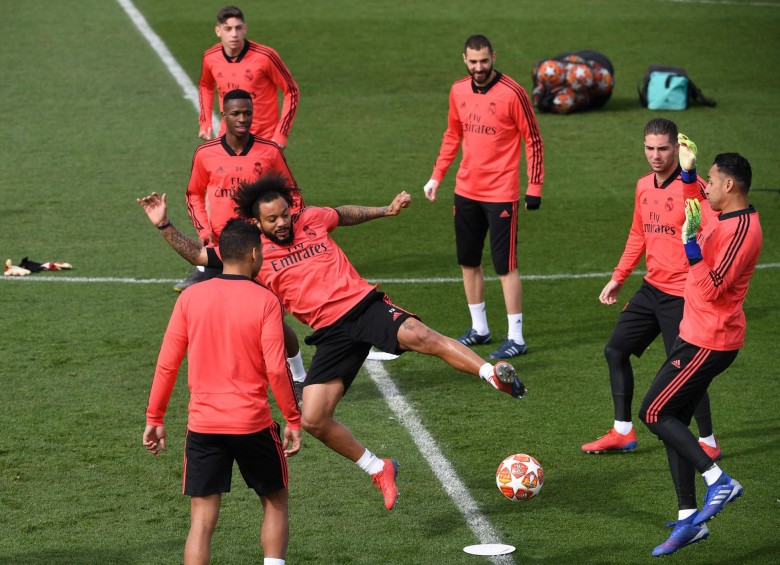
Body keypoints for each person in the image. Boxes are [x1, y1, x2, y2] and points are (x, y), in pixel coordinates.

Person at [138, 174, 526, 511]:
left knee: (422, 336)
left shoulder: (310, 219)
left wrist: (384, 210)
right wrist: (163, 225)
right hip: (330, 334)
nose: (282, 223)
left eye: (285, 214)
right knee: (313, 419)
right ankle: (379, 468)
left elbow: (343, 213)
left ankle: (491, 373)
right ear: (257, 223)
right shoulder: (252, 252)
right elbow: (200, 255)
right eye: (272, 219)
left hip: (363, 307)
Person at [142, 218, 302, 565]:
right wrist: (293, 418)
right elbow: (277, 368)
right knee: (274, 500)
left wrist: (155, 417)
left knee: (201, 521)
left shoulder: (190, 298)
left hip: (203, 426)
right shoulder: (265, 300)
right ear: (255, 254)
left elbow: (167, 364)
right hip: (252, 424)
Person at [639, 149, 762, 556]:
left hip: (710, 340)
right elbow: (699, 207)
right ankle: (690, 520)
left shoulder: (743, 230)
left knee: (654, 412)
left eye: (711, 179)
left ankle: (718, 480)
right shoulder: (724, 217)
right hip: (693, 333)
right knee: (673, 418)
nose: (706, 186)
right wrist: (689, 174)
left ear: (730, 185)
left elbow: (711, 288)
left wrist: (690, 248)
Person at [581, 119, 721, 460]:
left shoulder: (696, 188)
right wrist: (619, 276)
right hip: (652, 288)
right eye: (649, 148)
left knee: (686, 369)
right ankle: (623, 432)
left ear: (677, 148)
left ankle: (709, 442)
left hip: (683, 295)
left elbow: (715, 233)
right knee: (616, 350)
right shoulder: (644, 185)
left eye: (662, 148)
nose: (655, 156)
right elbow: (638, 233)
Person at [177, 88, 307, 396]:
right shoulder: (205, 154)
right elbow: (194, 193)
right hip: (224, 250)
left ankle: (300, 376)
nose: (242, 119)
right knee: (223, 316)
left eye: (247, 113)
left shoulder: (269, 152)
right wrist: (203, 228)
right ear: (225, 116)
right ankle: (232, 376)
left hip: (260, 250)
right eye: (235, 114)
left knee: (271, 315)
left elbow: (294, 195)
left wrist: (286, 230)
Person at [423, 34, 544, 360]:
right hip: (466, 190)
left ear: (494, 57)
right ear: (465, 59)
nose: (479, 67)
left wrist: (534, 186)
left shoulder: (513, 93)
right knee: (468, 260)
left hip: (501, 193)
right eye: (473, 62)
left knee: (505, 266)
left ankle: (516, 338)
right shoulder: (458, 90)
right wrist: (437, 176)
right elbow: (452, 134)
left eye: (484, 61)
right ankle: (480, 329)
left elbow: (533, 140)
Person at [197, 5, 299, 148]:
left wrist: (281, 133)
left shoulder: (265, 56)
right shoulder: (210, 57)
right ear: (218, 31)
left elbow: (292, 91)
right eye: (228, 29)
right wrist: (205, 122)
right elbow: (205, 86)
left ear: (245, 29)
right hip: (228, 139)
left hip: (264, 140)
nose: (234, 34)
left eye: (238, 28)